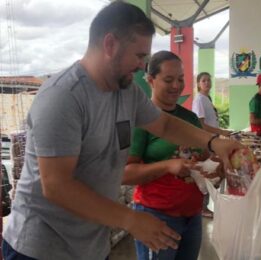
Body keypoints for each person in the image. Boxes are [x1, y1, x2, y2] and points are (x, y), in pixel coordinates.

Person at [2, 2, 242, 260]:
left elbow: (164, 124)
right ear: (110, 44)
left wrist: (214, 142)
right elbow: (57, 185)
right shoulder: (63, 97)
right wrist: (132, 220)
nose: (142, 66)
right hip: (40, 250)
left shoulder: (125, 91)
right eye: (139, 56)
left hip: (91, 246)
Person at [122, 51, 218, 259]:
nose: (176, 85)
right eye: (168, 79)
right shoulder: (140, 120)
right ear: (150, 80)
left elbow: (202, 156)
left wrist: (215, 164)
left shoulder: (189, 118)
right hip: (157, 216)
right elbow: (125, 174)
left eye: (181, 79)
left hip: (192, 216)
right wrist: (167, 165)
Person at [192, 72, 230, 218]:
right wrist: (221, 131)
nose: (207, 83)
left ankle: (206, 204)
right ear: (198, 84)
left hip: (213, 140)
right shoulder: (200, 100)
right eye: (203, 81)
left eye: (209, 80)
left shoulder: (207, 98)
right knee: (206, 173)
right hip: (206, 141)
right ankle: (202, 207)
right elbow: (201, 125)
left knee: (213, 173)